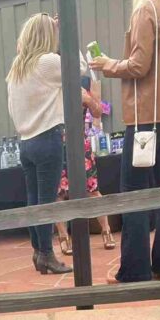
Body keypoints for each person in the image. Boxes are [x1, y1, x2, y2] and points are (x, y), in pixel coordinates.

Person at [90, 0, 160, 283]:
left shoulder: (148, 10)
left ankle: (135, 270)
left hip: (147, 118)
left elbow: (139, 66)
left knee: (135, 191)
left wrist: (107, 64)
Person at [7, 13, 75, 275]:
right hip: (47, 138)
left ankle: (38, 251)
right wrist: (65, 32)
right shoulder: (47, 62)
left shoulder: (17, 67)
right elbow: (78, 68)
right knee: (46, 202)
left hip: (25, 142)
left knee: (34, 201)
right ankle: (46, 254)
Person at [55, 77, 117, 254]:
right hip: (57, 144)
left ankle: (106, 230)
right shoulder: (49, 84)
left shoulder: (83, 82)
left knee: (92, 190)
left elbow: (98, 112)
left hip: (80, 143)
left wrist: (88, 99)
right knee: (58, 193)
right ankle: (63, 237)